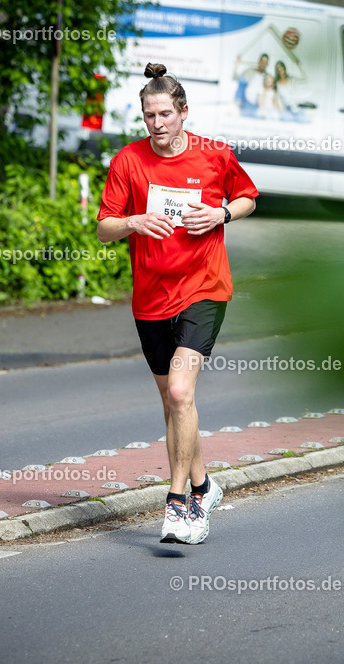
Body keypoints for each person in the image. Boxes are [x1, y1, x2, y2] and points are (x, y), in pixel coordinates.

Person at [96, 63, 258, 544]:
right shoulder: (128, 161)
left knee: (183, 393)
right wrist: (135, 222)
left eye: (166, 114)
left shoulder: (214, 156)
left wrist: (222, 212)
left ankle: (180, 505)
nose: (158, 124)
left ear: (184, 112)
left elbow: (249, 196)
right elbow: (104, 227)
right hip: (151, 297)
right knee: (173, 402)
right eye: (149, 116)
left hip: (204, 288)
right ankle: (205, 484)